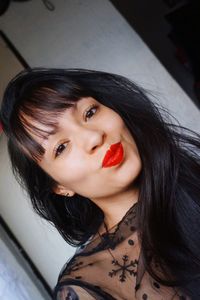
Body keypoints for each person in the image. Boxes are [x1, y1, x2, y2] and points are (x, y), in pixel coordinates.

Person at [0, 68, 200, 300]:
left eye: (90, 112)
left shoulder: (190, 178)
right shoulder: (87, 289)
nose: (94, 137)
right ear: (59, 186)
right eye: (61, 147)